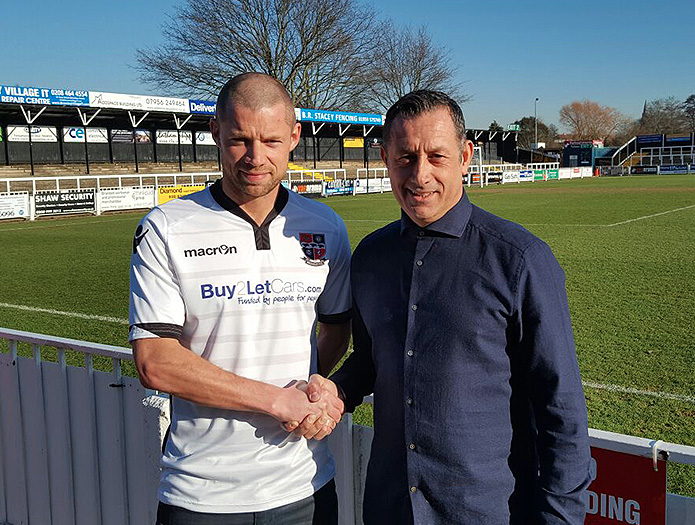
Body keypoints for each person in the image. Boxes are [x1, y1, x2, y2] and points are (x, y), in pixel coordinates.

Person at [300, 90, 591, 524]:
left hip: (487, 510)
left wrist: (561, 517)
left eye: (436, 156)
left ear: (465, 156)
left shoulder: (520, 259)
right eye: (404, 158)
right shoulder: (370, 257)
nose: (420, 175)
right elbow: (370, 358)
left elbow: (560, 403)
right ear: (384, 157)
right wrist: (338, 390)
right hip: (390, 507)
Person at [129, 72, 351, 525]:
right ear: (215, 132)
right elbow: (155, 362)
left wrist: (311, 388)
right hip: (201, 494)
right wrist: (274, 400)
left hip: (306, 483)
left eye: (270, 140)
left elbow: (336, 328)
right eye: (239, 139)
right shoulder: (165, 228)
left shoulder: (326, 227)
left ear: (294, 137)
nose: (255, 157)